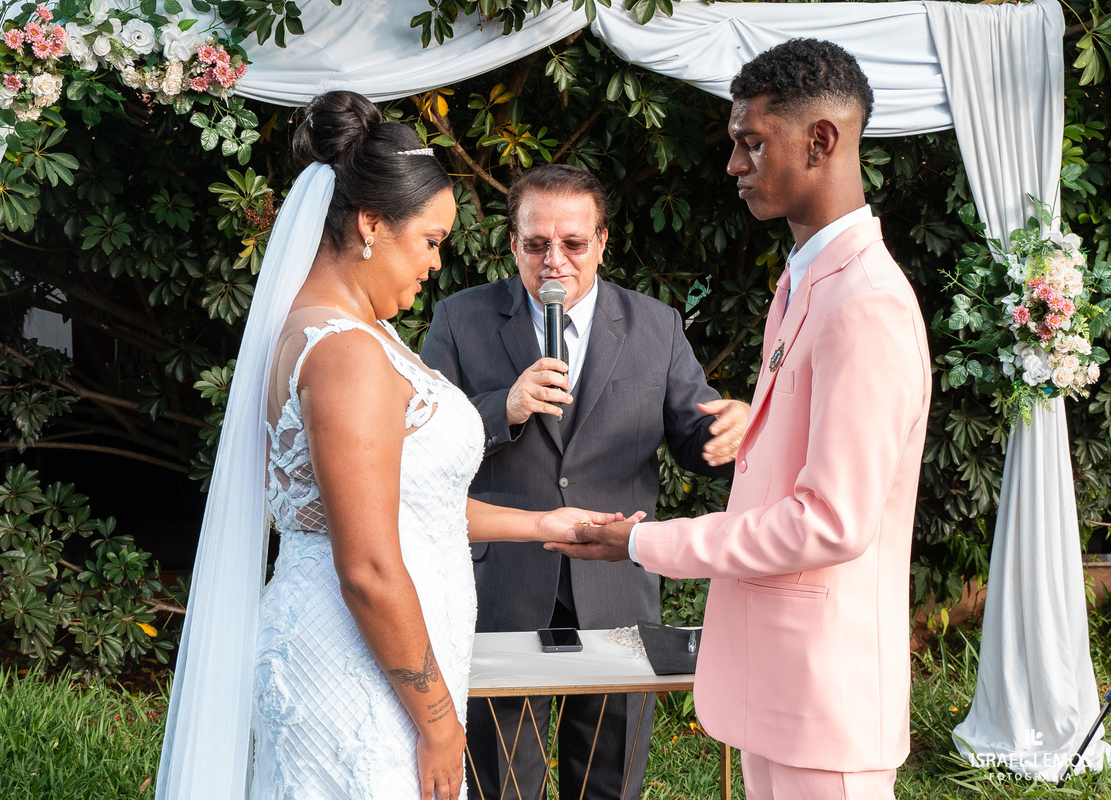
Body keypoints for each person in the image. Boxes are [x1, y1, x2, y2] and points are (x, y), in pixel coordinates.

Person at [153, 91, 631, 800]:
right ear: (372, 224)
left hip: (379, 659)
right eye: (431, 240)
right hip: (357, 668)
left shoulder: (353, 331)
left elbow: (406, 505)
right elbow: (369, 565)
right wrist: (438, 723)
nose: (437, 262)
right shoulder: (346, 354)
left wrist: (542, 525)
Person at [550, 39, 932, 800]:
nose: (733, 164)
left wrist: (643, 542)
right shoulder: (807, 283)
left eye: (752, 142)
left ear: (821, 140)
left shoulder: (866, 304)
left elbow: (830, 522)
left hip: (827, 694)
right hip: (781, 685)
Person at [421, 164, 749, 800]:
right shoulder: (461, 319)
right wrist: (502, 408)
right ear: (512, 243)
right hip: (502, 586)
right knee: (500, 782)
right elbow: (424, 445)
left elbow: (696, 437)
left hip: (616, 585)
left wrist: (735, 432)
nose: (554, 261)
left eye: (573, 243)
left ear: (602, 242)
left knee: (608, 781)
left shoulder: (655, 325)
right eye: (537, 244)